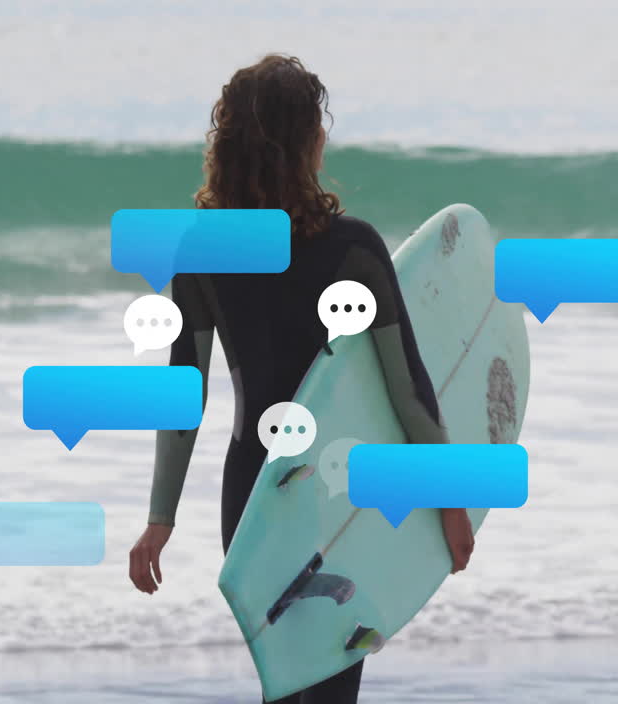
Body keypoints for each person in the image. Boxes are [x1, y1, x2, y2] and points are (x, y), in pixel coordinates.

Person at [128, 54, 475, 704]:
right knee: (332, 682)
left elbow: (185, 396)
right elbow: (409, 392)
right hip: (338, 491)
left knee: (285, 681)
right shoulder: (354, 249)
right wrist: (451, 500)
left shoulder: (202, 251)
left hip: (255, 498)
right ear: (304, 142)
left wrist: (160, 517)